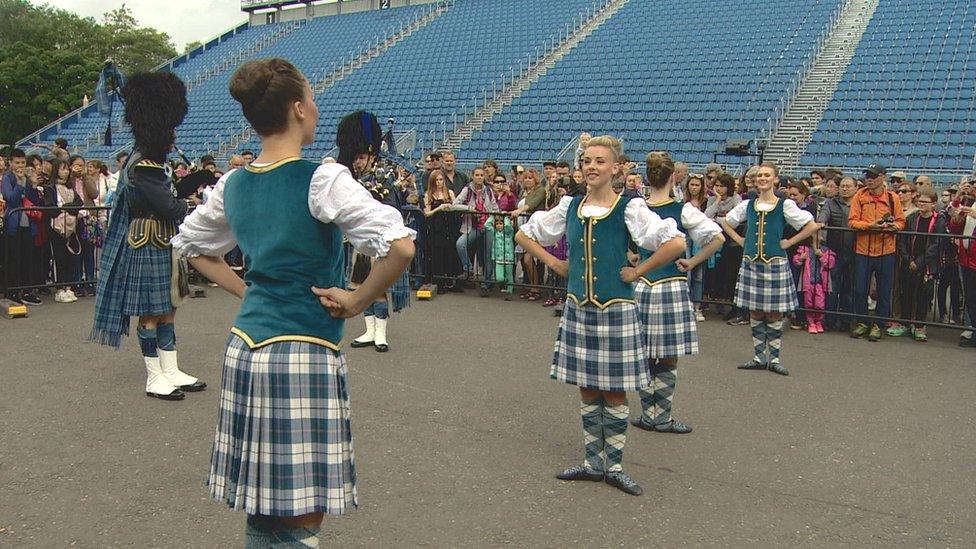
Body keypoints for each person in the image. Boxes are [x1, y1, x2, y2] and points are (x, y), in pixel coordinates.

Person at [174, 59, 414, 547]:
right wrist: (356, 300)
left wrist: (250, 290)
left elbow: (192, 246)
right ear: (301, 109)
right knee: (302, 511)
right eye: (313, 99)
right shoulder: (322, 178)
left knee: (265, 505)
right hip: (301, 353)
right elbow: (401, 246)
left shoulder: (232, 183)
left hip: (246, 347)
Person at [516, 135, 685, 496]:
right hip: (579, 309)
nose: (591, 167)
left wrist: (638, 272)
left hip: (617, 311)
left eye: (599, 161)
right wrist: (555, 263)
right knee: (588, 389)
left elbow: (676, 242)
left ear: (615, 167)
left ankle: (616, 466)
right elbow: (525, 233)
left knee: (615, 393)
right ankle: (594, 463)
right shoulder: (569, 205)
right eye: (586, 161)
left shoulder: (630, 208)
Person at [89, 72, 205, 401]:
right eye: (170, 130)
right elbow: (168, 206)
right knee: (152, 311)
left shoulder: (150, 161)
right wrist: (190, 202)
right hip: (147, 240)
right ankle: (154, 375)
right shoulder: (143, 165)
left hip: (162, 240)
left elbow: (166, 192)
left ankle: (171, 369)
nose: (174, 136)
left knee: (169, 306)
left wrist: (195, 178)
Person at [624, 152, 723, 435]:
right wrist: (691, 262)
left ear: (646, 177)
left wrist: (632, 258)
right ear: (672, 178)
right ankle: (662, 417)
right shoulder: (683, 210)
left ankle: (647, 414)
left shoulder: (633, 208)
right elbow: (717, 237)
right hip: (670, 286)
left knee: (642, 353)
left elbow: (621, 240)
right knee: (667, 356)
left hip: (641, 286)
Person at [722, 162, 818, 376]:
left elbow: (811, 225)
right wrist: (740, 239)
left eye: (767, 175)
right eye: (759, 176)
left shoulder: (784, 205)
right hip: (751, 263)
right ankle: (759, 357)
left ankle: (774, 359)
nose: (762, 178)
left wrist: (788, 242)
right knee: (755, 311)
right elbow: (726, 222)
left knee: (774, 314)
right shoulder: (748, 205)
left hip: (775, 263)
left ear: (775, 179)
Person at [848, 164, 905, 342]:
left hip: (885, 250)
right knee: (859, 289)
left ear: (882, 177)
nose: (869, 179)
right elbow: (852, 222)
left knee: (883, 290)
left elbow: (901, 221)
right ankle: (863, 322)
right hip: (863, 250)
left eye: (873, 176)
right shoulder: (860, 195)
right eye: (867, 176)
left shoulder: (892, 197)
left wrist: (892, 227)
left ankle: (878, 325)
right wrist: (870, 226)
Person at [896, 189, 944, 342]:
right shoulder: (911, 218)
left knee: (924, 295)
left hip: (927, 264)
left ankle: (919, 326)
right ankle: (904, 323)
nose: (921, 204)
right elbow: (902, 241)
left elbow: (937, 245)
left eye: (925, 202)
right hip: (909, 261)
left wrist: (920, 262)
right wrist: (908, 259)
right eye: (920, 201)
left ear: (933, 204)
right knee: (906, 293)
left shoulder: (939, 221)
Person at [1, 148, 44, 305]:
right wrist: (19, 183)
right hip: (13, 223)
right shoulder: (7, 178)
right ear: (11, 163)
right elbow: (11, 199)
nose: (20, 165)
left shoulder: (28, 177)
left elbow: (33, 201)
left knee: (28, 258)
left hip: (28, 224)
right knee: (13, 258)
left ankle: (27, 290)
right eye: (17, 162)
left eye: (23, 162)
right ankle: (13, 290)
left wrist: (32, 185)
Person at [817, 176, 857, 331]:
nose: (845, 189)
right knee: (832, 287)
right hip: (834, 252)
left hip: (854, 252)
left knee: (849, 287)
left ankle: (846, 321)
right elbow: (823, 218)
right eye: (843, 186)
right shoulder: (830, 203)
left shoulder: (858, 204)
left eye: (848, 186)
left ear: (855, 188)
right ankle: (830, 320)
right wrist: (820, 223)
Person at [452, 166, 498, 296]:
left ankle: (486, 284)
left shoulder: (488, 191)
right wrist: (469, 208)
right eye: (477, 175)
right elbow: (455, 204)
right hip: (472, 227)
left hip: (487, 226)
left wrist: (494, 217)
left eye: (481, 175)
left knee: (488, 255)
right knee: (460, 244)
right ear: (472, 176)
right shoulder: (467, 189)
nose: (479, 177)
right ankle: (469, 269)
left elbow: (495, 207)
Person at [424, 170, 461, 290]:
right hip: (436, 227)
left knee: (450, 252)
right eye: (437, 180)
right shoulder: (428, 194)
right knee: (437, 254)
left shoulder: (449, 193)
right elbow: (427, 213)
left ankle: (450, 280)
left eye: (441, 179)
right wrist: (439, 208)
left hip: (449, 226)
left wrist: (450, 207)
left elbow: (456, 205)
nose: (439, 182)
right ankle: (438, 282)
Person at [792, 243, 835, 334]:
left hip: (820, 282)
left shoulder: (825, 250)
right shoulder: (804, 249)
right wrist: (801, 258)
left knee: (819, 304)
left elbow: (831, 264)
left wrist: (821, 255)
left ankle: (819, 321)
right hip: (808, 282)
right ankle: (811, 322)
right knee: (808, 303)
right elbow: (795, 261)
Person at [486, 215, 516, 299]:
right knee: (499, 278)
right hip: (498, 258)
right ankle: (504, 282)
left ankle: (509, 292)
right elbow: (487, 225)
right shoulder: (494, 232)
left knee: (509, 275)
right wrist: (492, 216)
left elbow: (507, 226)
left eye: (501, 223)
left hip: (508, 258)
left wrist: (505, 217)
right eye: (497, 224)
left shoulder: (509, 232)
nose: (499, 225)